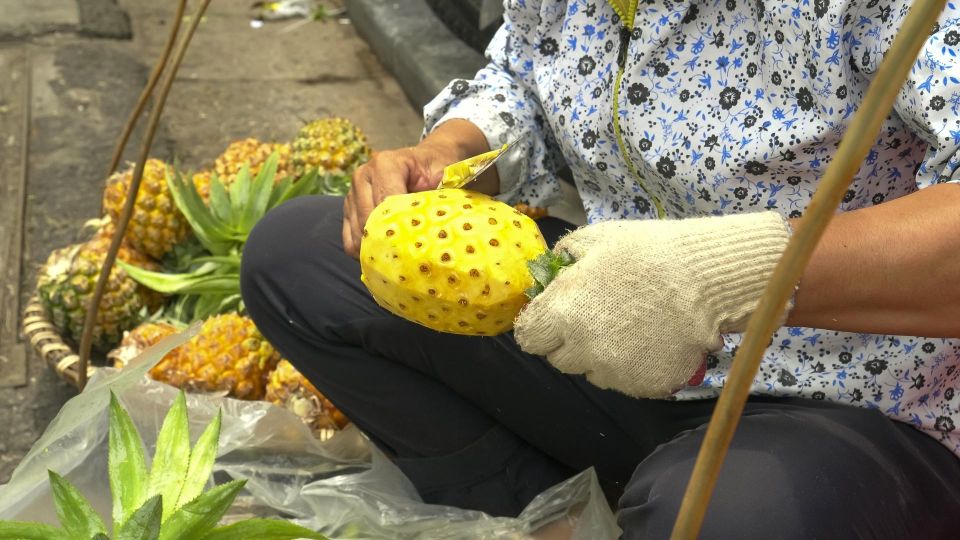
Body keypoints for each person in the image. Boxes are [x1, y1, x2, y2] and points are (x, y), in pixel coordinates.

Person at [241, 0, 960, 536]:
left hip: (851, 402)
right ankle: (545, 515)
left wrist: (722, 277)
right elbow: (521, 78)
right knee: (300, 262)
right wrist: (449, 153)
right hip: (613, 334)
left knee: (728, 516)